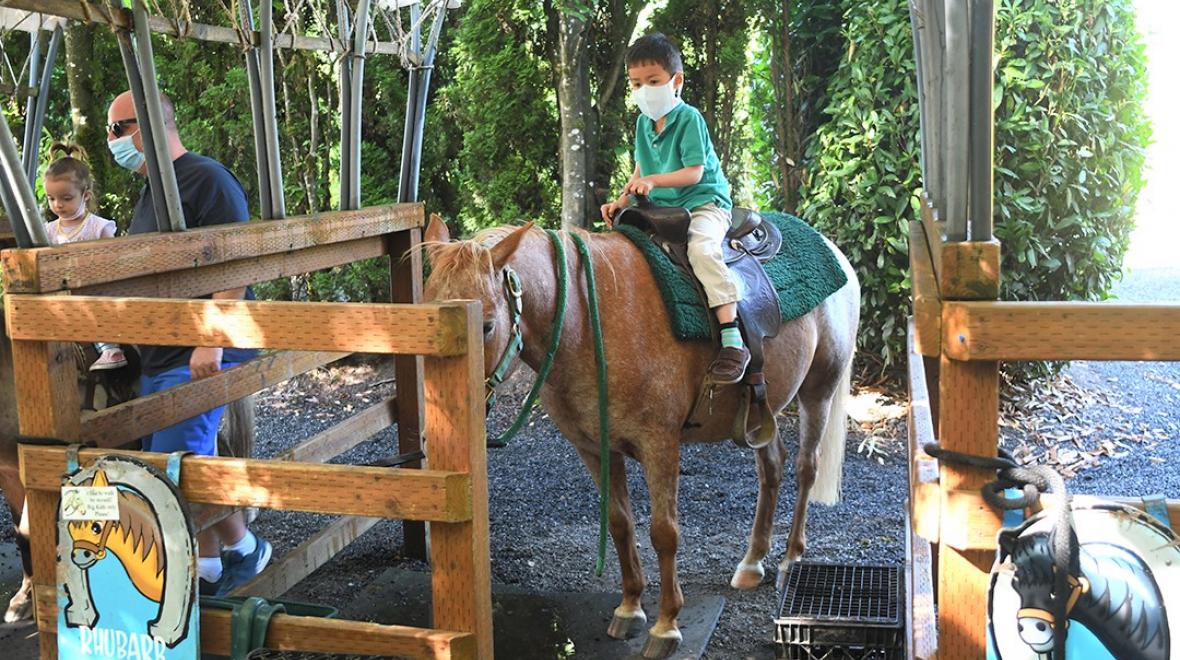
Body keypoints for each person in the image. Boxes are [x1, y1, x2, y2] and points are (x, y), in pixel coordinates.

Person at [106, 91, 270, 595]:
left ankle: (224, 560)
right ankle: (222, 559)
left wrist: (211, 340)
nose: (111, 141)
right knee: (163, 461)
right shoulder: (151, 190)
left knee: (172, 474)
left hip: (201, 349)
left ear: (150, 126)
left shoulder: (207, 179)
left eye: (118, 129)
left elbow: (238, 262)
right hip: (161, 350)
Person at [601, 33, 748, 385]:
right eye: (636, 84)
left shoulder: (689, 118)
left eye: (652, 81)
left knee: (702, 250)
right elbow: (640, 168)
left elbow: (694, 172)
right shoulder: (642, 123)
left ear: (676, 81)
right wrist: (621, 200)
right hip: (662, 209)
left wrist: (653, 182)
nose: (644, 91)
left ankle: (732, 336)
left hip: (703, 204)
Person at [42, 144, 126, 371]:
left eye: (66, 198)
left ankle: (109, 348)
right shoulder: (49, 231)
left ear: (85, 195)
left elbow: (113, 259)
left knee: (96, 304)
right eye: (51, 198)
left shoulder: (99, 227)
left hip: (94, 287)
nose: (57, 205)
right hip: (63, 291)